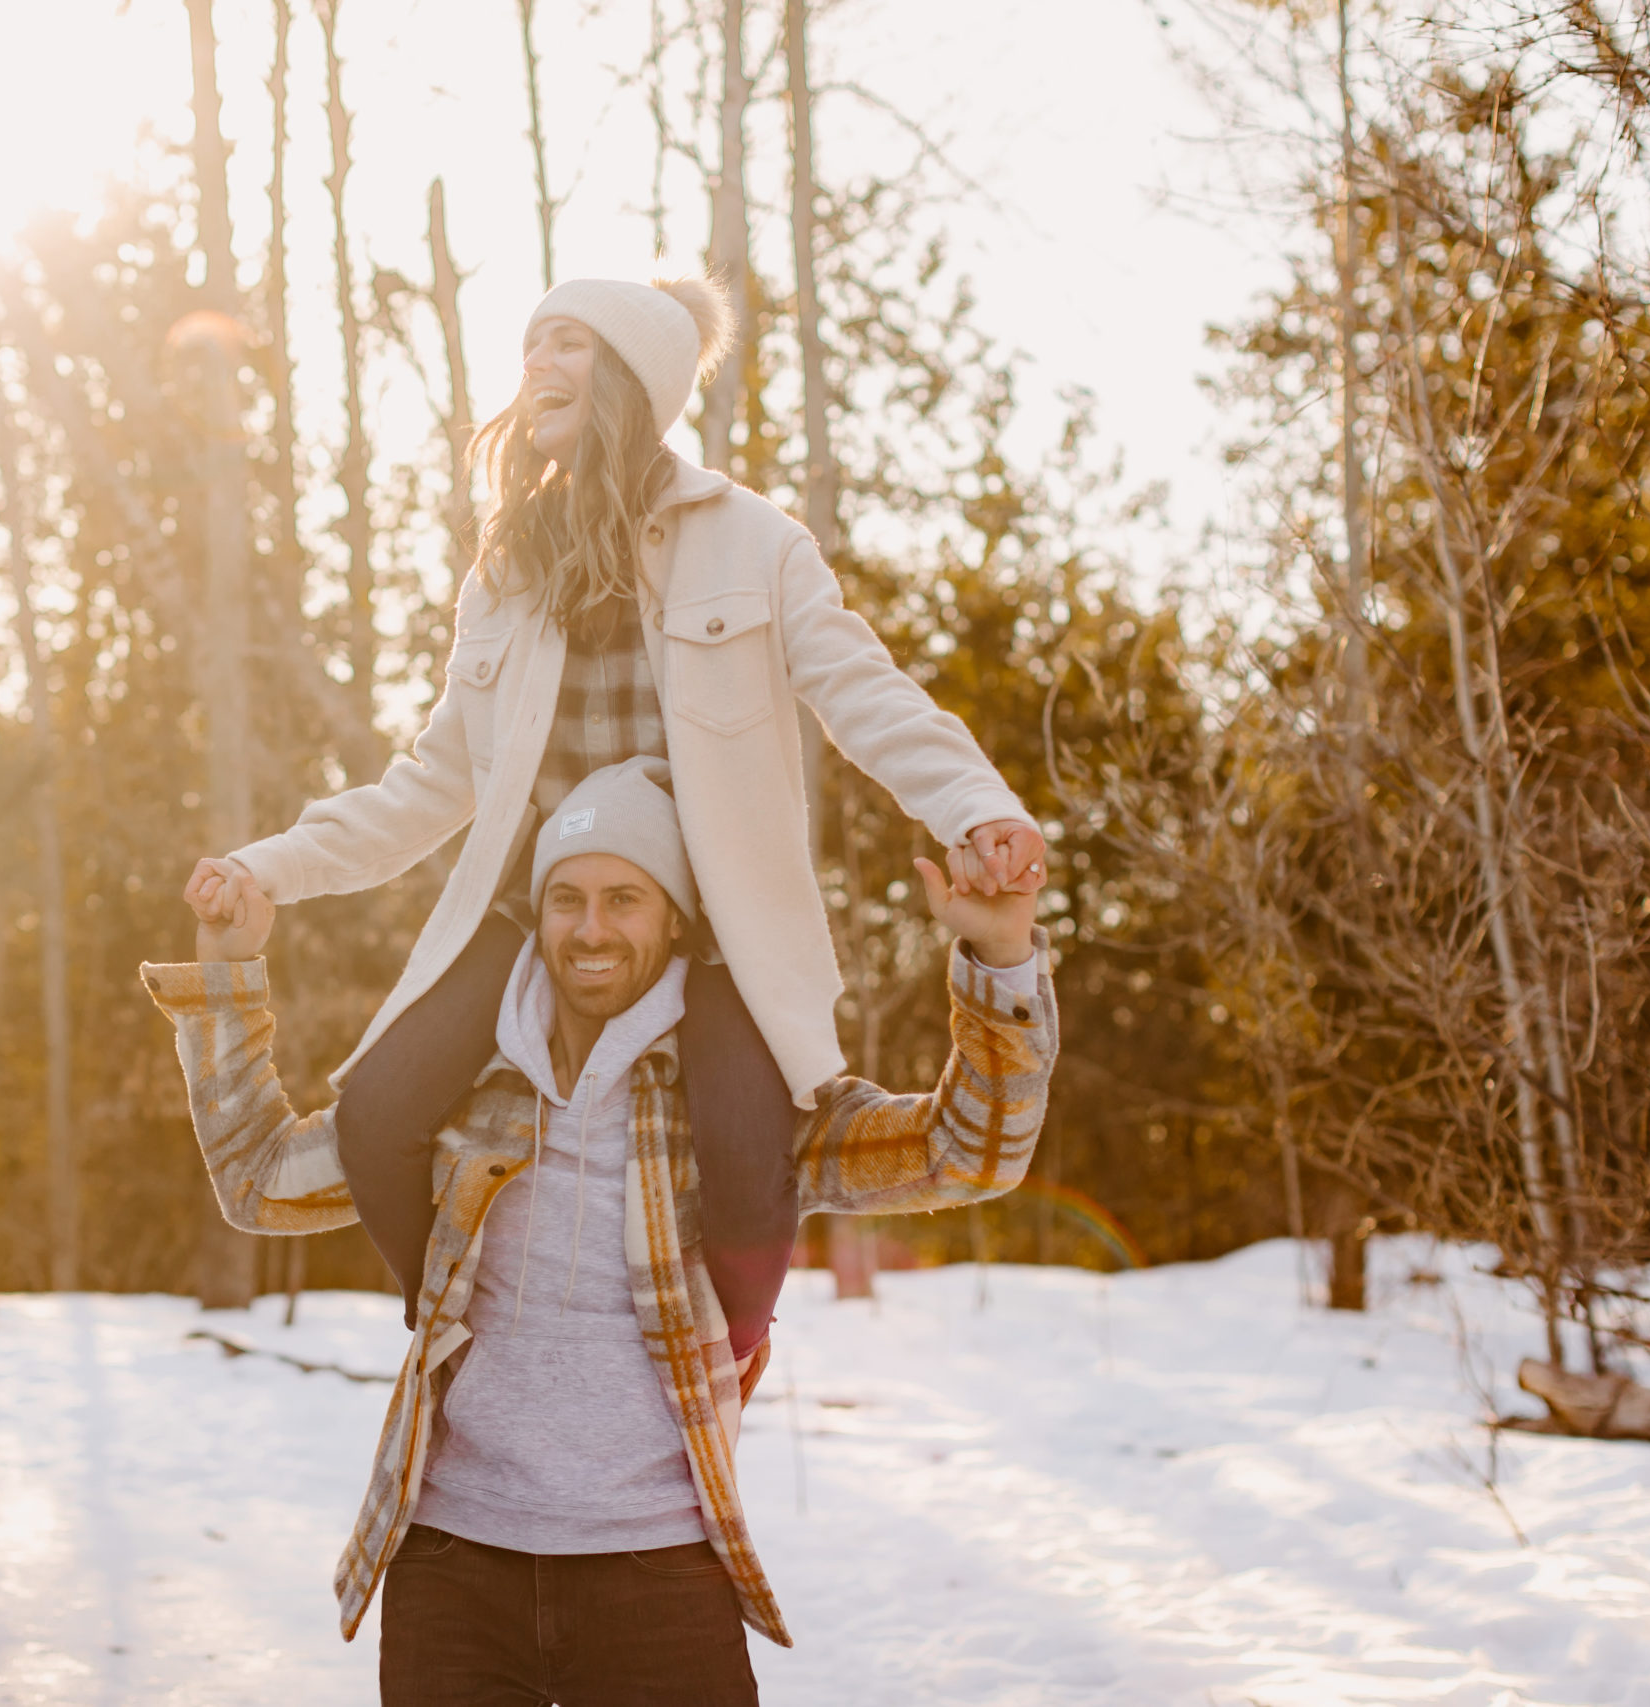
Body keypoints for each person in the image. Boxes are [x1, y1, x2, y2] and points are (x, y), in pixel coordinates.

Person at [184, 272, 1046, 1373]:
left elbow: (866, 696)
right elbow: (432, 779)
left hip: (710, 917)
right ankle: (452, 1340)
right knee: (377, 1114)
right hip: (544, 904)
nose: (535, 363)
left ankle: (724, 1369)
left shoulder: (753, 543)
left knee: (745, 1153)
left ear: (634, 373)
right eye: (529, 342)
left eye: (567, 343)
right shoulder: (506, 569)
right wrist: (271, 869)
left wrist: (978, 809)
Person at [149, 757, 1055, 1702]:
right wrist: (228, 973)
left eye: (625, 897)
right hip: (455, 1566)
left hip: (658, 1573)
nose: (591, 928)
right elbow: (259, 1180)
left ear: (675, 919)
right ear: (535, 917)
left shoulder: (743, 1104)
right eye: (567, 898)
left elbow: (969, 1152)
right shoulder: (459, 1092)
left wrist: (1000, 959)